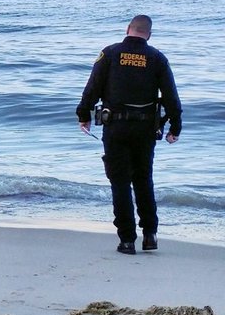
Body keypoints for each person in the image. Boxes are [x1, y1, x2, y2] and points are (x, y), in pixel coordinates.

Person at [77, 15, 181, 255]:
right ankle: (150, 235)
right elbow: (171, 97)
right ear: (149, 34)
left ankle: (126, 240)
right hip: (145, 129)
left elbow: (92, 88)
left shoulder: (110, 54)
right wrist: (175, 127)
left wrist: (84, 115)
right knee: (144, 179)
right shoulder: (157, 58)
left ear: (128, 29)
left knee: (120, 182)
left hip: (116, 128)